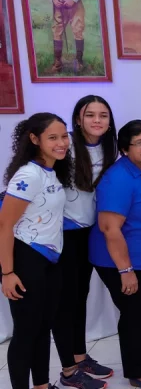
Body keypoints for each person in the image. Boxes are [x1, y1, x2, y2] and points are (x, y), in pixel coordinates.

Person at [90, 120, 141, 389]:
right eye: (140, 143)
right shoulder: (118, 178)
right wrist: (125, 271)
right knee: (133, 314)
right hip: (124, 263)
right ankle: (137, 372)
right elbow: (109, 228)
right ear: (125, 148)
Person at [0, 113, 71, 389]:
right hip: (26, 258)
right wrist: (7, 272)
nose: (61, 143)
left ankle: (41, 385)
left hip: (50, 260)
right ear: (34, 139)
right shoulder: (29, 174)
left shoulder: (51, 171)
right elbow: (5, 225)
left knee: (43, 328)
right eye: (53, 137)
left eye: (64, 136)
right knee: (25, 333)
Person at [53, 95, 117, 388]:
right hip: (61, 233)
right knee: (64, 303)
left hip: (88, 232)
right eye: (90, 115)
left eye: (103, 115)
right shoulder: (63, 146)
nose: (97, 120)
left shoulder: (108, 148)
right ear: (78, 119)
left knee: (79, 298)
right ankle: (68, 371)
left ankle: (79, 357)